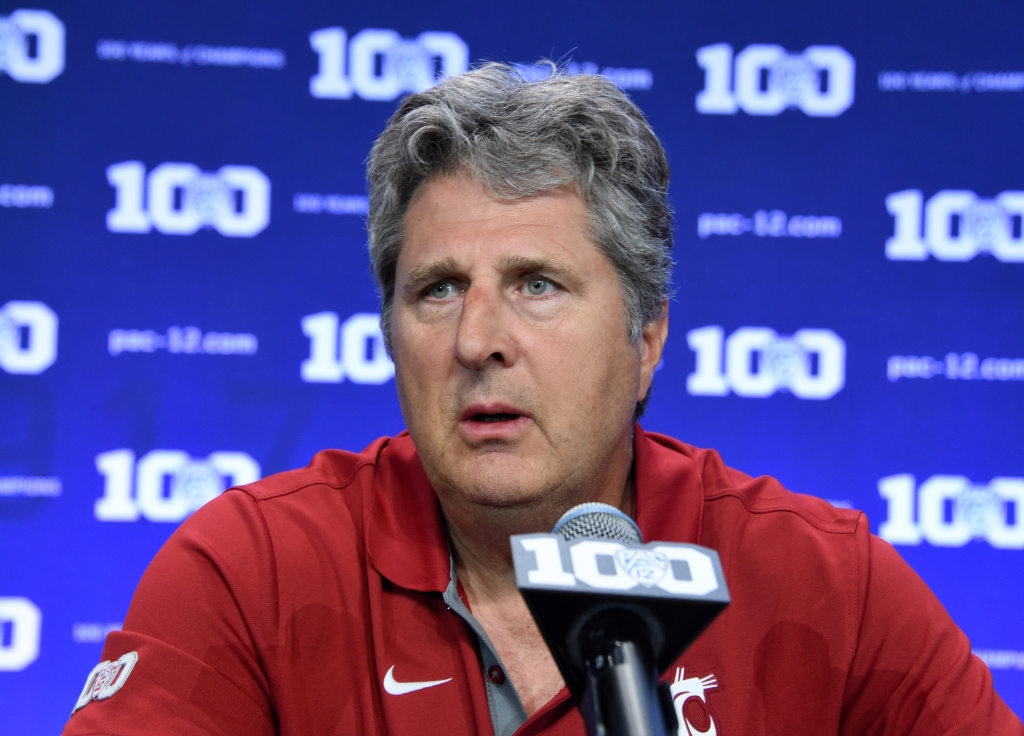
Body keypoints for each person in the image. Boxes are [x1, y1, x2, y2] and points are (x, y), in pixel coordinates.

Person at [64, 64, 1022, 736]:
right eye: (437, 289)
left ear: (646, 341)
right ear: (391, 335)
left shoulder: (829, 589)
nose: (479, 340)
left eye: (537, 284)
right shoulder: (250, 569)